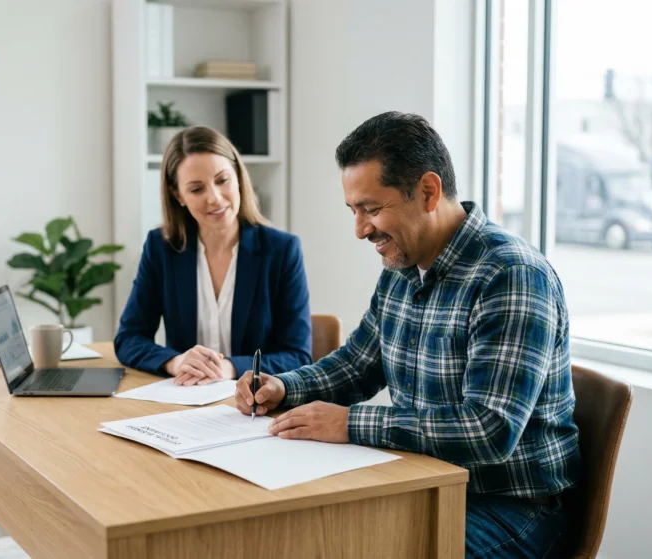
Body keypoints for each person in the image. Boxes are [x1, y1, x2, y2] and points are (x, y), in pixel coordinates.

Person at [235, 112, 581, 558]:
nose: (360, 230)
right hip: (424, 480)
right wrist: (285, 387)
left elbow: (489, 429)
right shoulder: (403, 265)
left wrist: (349, 423)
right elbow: (358, 364)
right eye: (354, 210)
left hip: (512, 507)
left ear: (428, 191)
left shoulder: (511, 274)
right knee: (303, 533)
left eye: (372, 209)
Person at [115, 125, 312, 385]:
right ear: (178, 195)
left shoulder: (282, 250)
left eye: (222, 180)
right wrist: (176, 362)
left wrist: (230, 368)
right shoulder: (161, 248)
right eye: (197, 189)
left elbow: (298, 355)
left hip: (255, 405)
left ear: (239, 177)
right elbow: (129, 338)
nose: (215, 198)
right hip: (183, 401)